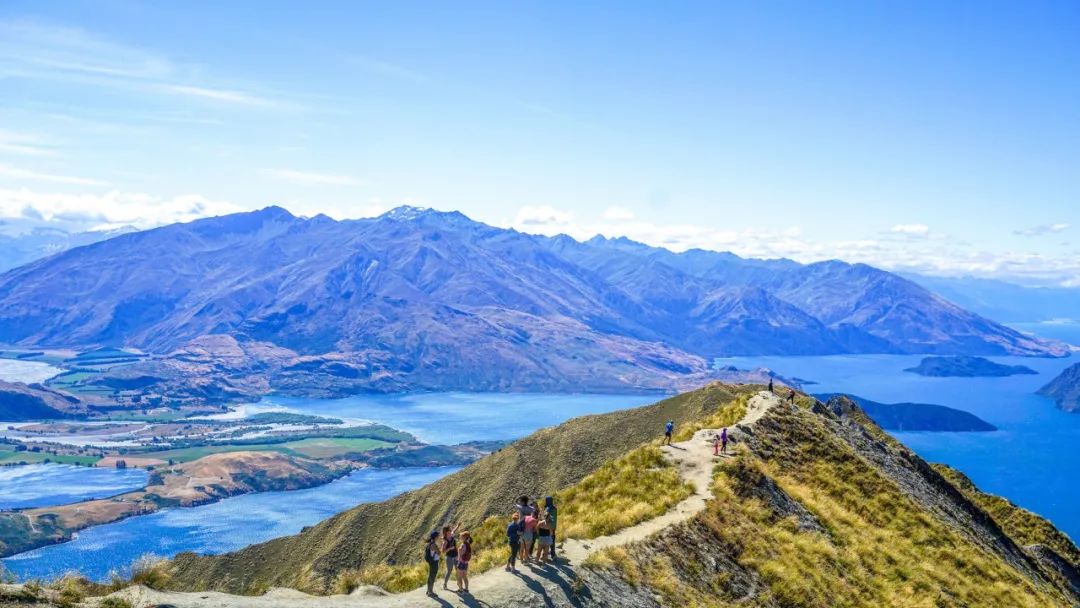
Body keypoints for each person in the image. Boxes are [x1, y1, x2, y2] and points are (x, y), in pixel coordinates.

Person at [441, 522, 461, 590]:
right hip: (449, 557)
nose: (450, 530)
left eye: (450, 530)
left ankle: (459, 585)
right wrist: (449, 548)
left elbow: (454, 530)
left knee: (457, 570)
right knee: (449, 571)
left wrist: (458, 525)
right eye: (449, 530)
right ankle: (445, 584)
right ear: (446, 532)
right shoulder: (445, 541)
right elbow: (443, 551)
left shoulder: (452, 535)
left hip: (455, 555)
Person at [423, 530, 441, 598]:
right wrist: (438, 548)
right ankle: (431, 592)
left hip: (431, 562)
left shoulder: (430, 544)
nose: (439, 537)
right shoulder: (433, 545)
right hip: (434, 562)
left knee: (430, 576)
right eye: (438, 536)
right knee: (432, 577)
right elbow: (439, 553)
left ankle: (428, 590)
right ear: (435, 537)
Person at [543, 496, 558, 560]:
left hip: (547, 528)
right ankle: (553, 554)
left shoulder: (547, 509)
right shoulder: (555, 508)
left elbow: (545, 517)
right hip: (553, 527)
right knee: (552, 541)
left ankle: (544, 555)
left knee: (546, 541)